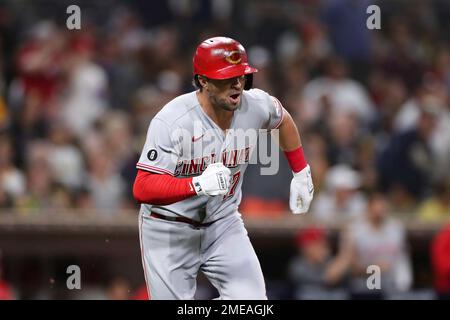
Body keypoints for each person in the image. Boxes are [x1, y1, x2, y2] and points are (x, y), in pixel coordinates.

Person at [132, 36, 314, 299]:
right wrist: (196, 184)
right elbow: (142, 187)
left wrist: (300, 171)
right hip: (168, 228)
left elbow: (282, 119)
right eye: (226, 77)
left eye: (240, 75)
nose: (237, 84)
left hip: (223, 222)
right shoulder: (173, 120)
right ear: (203, 81)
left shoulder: (255, 104)